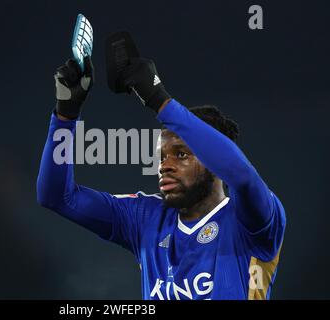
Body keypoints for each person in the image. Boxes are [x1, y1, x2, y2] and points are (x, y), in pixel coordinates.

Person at [37, 55, 286, 300]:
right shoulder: (145, 218)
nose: (165, 166)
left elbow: (242, 175)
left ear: (213, 162)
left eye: (180, 154)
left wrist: (160, 101)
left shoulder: (254, 221)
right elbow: (57, 197)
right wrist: (65, 117)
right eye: (161, 156)